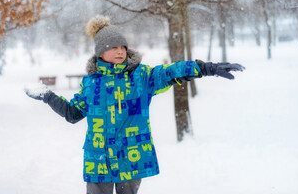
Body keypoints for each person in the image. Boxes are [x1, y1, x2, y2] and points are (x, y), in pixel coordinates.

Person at [24, 15, 245, 194]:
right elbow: (73, 114)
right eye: (114, 47)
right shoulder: (91, 84)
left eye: (123, 46)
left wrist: (205, 68)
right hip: (98, 158)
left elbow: (170, 72)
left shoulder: (141, 77)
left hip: (131, 156)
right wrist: (48, 96)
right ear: (100, 52)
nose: (120, 51)